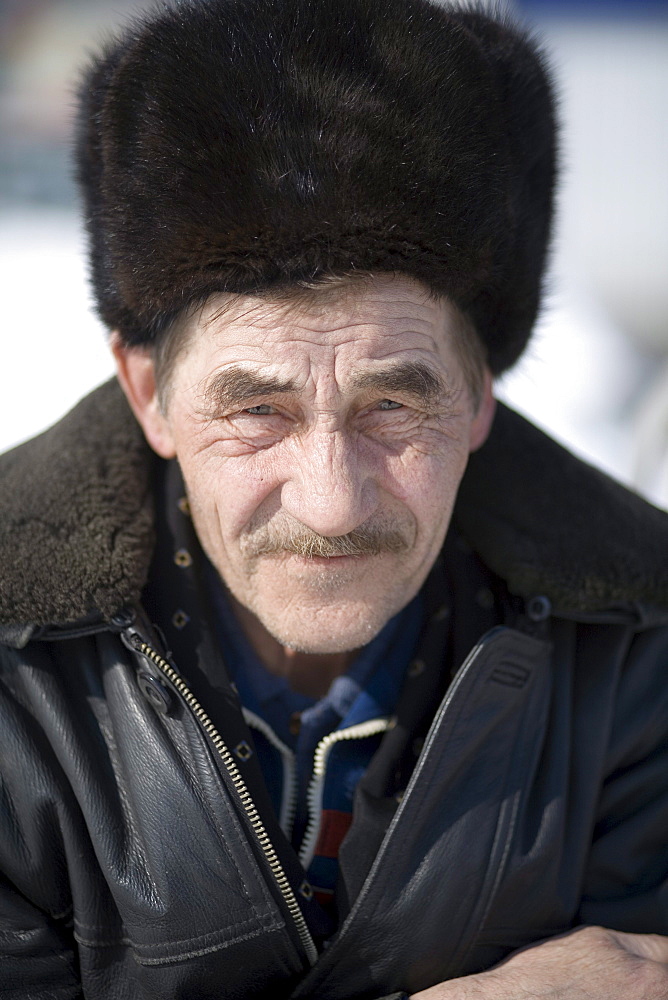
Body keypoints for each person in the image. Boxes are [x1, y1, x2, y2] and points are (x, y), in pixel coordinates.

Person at [0, 0, 667, 997]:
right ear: (150, 394)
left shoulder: (637, 655)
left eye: (392, 404)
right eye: (256, 410)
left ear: (481, 393)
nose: (330, 505)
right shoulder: (15, 686)